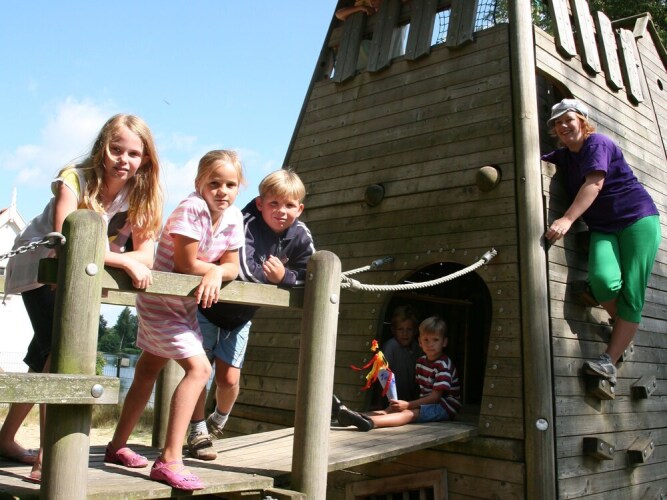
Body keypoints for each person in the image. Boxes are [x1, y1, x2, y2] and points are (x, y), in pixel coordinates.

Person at [0, 114, 163, 482]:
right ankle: (48, 457)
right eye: (116, 149)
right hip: (41, 267)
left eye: (134, 153)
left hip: (80, 275)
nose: (123, 159)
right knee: (59, 354)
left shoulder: (138, 194)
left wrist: (121, 258)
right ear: (102, 147)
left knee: (44, 357)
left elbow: (147, 255)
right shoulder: (74, 179)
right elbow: (66, 238)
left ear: (145, 159)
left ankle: (6, 438)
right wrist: (122, 259)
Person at [106, 150, 245, 491]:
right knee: (200, 370)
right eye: (214, 183)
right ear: (199, 183)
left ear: (239, 187)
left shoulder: (233, 217)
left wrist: (217, 271)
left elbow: (232, 265)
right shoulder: (192, 208)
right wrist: (213, 270)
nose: (222, 191)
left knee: (147, 369)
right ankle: (169, 459)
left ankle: (116, 445)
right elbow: (185, 263)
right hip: (159, 300)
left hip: (182, 306)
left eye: (230, 184)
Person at [542, 98, 661, 386]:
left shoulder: (598, 143)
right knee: (602, 282)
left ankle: (609, 361)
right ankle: (624, 331)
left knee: (632, 291)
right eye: (558, 123)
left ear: (582, 121)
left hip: (637, 219)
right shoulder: (564, 156)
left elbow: (594, 184)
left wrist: (567, 219)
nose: (563, 126)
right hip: (604, 227)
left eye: (568, 119)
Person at [193, 168, 315, 444]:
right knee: (199, 372)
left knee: (229, 380)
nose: (281, 211)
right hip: (207, 308)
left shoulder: (300, 234)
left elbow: (314, 274)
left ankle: (217, 421)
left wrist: (285, 277)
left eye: (289, 205)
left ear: (300, 209)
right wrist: (274, 278)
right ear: (260, 204)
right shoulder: (243, 221)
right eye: (274, 203)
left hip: (240, 317)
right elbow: (243, 270)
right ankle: (197, 429)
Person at [335, 316, 461, 431]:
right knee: (391, 409)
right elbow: (421, 391)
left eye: (435, 340)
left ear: (444, 342)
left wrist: (408, 405)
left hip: (445, 407)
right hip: (428, 404)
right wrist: (403, 404)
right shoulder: (421, 362)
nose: (430, 344)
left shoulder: (443, 364)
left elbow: (435, 398)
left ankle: (370, 422)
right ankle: (352, 417)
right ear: (420, 342)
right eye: (426, 340)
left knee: (408, 414)